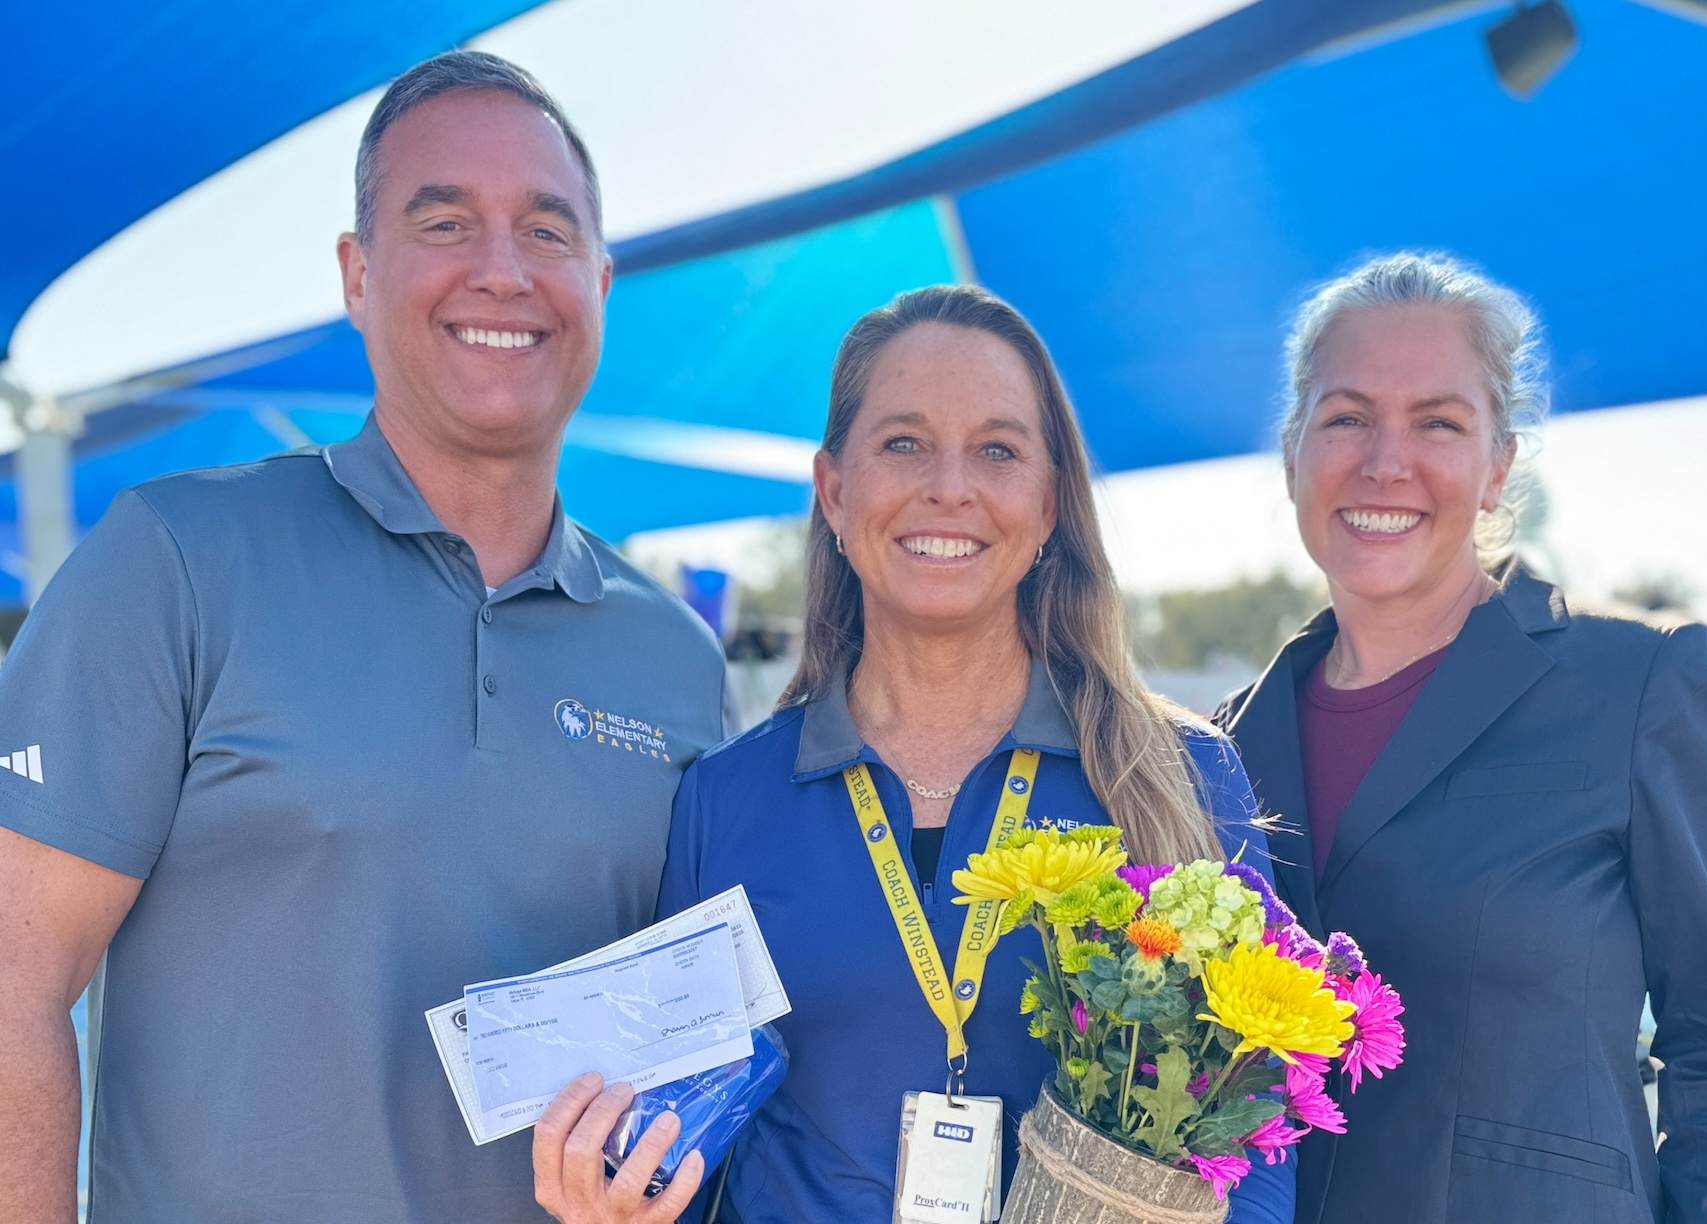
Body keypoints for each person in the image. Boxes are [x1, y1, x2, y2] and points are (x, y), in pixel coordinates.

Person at [0, 52, 725, 1223]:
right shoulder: (176, 561)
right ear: (356, 271)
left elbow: (677, 1053)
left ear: (598, 278)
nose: (502, 271)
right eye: (444, 221)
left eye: (546, 232)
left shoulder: (673, 660)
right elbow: (12, 985)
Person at [532, 285, 1296, 1223]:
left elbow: (1257, 1145)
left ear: (1049, 503)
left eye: (998, 450)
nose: (950, 486)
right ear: (835, 492)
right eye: (903, 443)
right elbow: (683, 1152)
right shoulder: (723, 801)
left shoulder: (1181, 778)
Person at [1212, 253, 1707, 1223]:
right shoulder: (1216, 748)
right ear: (1290, 453)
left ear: (1496, 466)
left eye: (1437, 422)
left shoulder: (1639, 685)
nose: (1384, 461)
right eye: (1345, 417)